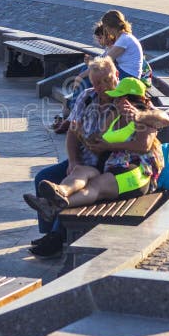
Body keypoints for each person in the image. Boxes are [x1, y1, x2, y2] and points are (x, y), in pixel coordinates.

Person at [26, 77, 169, 221]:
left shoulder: (146, 118)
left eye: (118, 98)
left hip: (135, 172)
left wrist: (110, 145)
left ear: (127, 99)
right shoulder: (114, 115)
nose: (114, 101)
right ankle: (60, 191)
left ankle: (53, 206)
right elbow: (98, 143)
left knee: (95, 186)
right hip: (111, 165)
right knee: (80, 171)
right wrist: (81, 134)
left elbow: (143, 146)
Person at [26, 56, 119, 258]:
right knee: (43, 177)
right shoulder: (86, 97)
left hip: (107, 167)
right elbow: (72, 133)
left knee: (68, 191)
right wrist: (74, 159)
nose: (102, 87)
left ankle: (57, 238)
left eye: (106, 80)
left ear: (116, 75)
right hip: (83, 161)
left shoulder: (124, 99)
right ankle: (49, 233)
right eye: (97, 83)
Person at [102, 9, 143, 80]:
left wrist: (83, 74)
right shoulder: (123, 37)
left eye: (105, 26)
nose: (105, 29)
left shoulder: (124, 39)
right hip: (126, 72)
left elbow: (106, 60)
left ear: (110, 26)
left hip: (129, 75)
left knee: (97, 76)